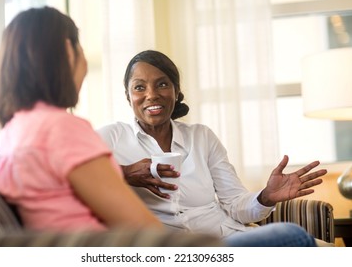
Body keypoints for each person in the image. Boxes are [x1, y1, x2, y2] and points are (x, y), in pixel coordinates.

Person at [97, 49, 327, 246]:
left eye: (162, 84)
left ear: (176, 92)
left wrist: (266, 197)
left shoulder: (201, 136)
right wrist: (124, 173)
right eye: (139, 87)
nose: (151, 94)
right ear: (128, 96)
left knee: (311, 245)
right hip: (174, 248)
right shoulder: (111, 137)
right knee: (293, 236)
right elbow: (67, 180)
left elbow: (236, 205)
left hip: (227, 238)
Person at [0, 7, 163, 233]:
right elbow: (144, 229)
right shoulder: (59, 128)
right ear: (68, 51)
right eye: (81, 49)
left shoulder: (12, 130)